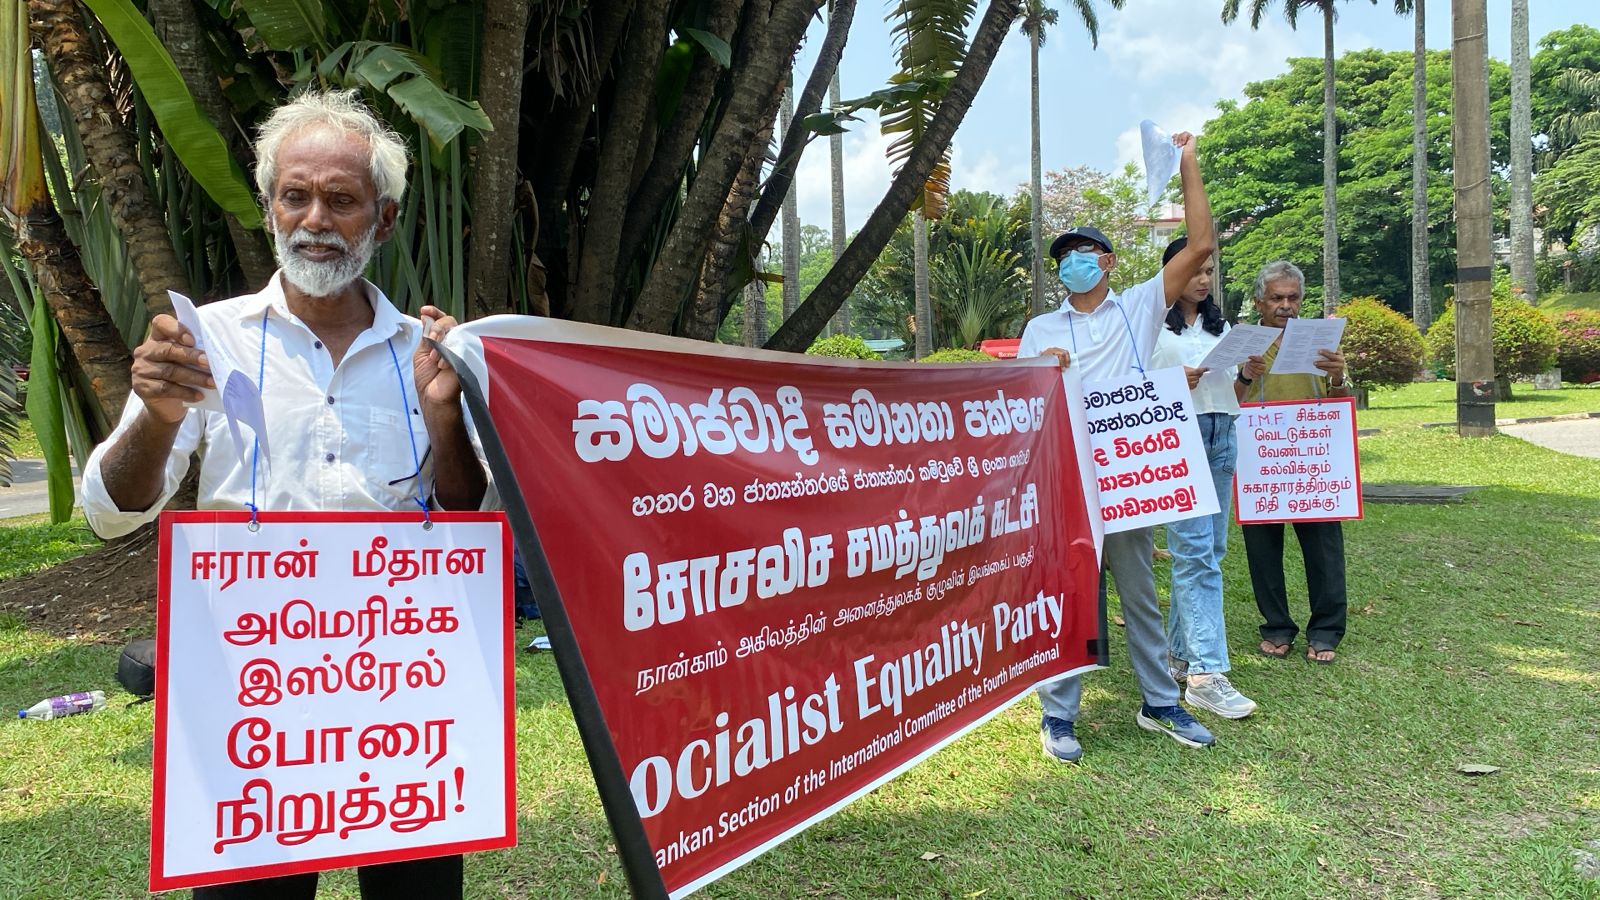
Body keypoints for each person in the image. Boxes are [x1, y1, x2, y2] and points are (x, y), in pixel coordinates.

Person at [81, 90, 486, 899]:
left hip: (402, 690)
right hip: (252, 688)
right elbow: (110, 512)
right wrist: (158, 415)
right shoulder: (206, 338)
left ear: (385, 220)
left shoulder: (433, 350)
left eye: (342, 200)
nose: (315, 220)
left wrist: (445, 415)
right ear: (269, 209)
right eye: (295, 196)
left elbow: (466, 515)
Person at [1019, 132, 1219, 762]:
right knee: (1069, 596)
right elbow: (1021, 405)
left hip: (1129, 479)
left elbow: (1200, 246)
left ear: (1107, 262)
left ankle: (1160, 702)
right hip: (1067, 482)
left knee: (1139, 597)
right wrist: (1042, 369)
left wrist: (1188, 163)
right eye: (1063, 256)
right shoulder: (1040, 328)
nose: (1071, 262)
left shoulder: (1138, 308)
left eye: (1083, 253)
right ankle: (1059, 714)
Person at [1151, 237, 1256, 719]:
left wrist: (1248, 374)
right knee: (1194, 553)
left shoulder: (1222, 325)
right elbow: (1130, 392)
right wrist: (1173, 384)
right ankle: (1206, 675)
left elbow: (1233, 392)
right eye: (1195, 269)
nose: (1203, 279)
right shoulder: (1150, 325)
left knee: (1210, 550)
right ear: (1172, 270)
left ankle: (1179, 656)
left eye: (1210, 271)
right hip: (1179, 435)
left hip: (1222, 432)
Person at [1234, 261, 1353, 666]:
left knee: (1324, 548)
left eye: (1293, 297)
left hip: (1312, 461)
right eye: (1276, 298)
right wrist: (1245, 375)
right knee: (1263, 550)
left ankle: (1326, 630)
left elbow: (1340, 402)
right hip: (1261, 460)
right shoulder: (1242, 342)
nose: (1285, 305)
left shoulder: (1321, 341)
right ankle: (1277, 627)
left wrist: (1337, 377)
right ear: (1259, 302)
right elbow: (1228, 399)